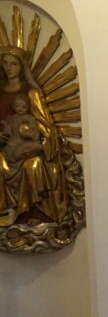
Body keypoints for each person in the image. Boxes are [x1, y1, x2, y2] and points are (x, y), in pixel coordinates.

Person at [0, 50, 67, 225]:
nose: (9, 68)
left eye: (14, 63)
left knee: (34, 164)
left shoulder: (31, 93)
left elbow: (45, 125)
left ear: (22, 67)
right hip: (4, 148)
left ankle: (28, 214)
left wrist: (36, 140)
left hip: (27, 148)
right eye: (5, 62)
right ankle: (4, 213)